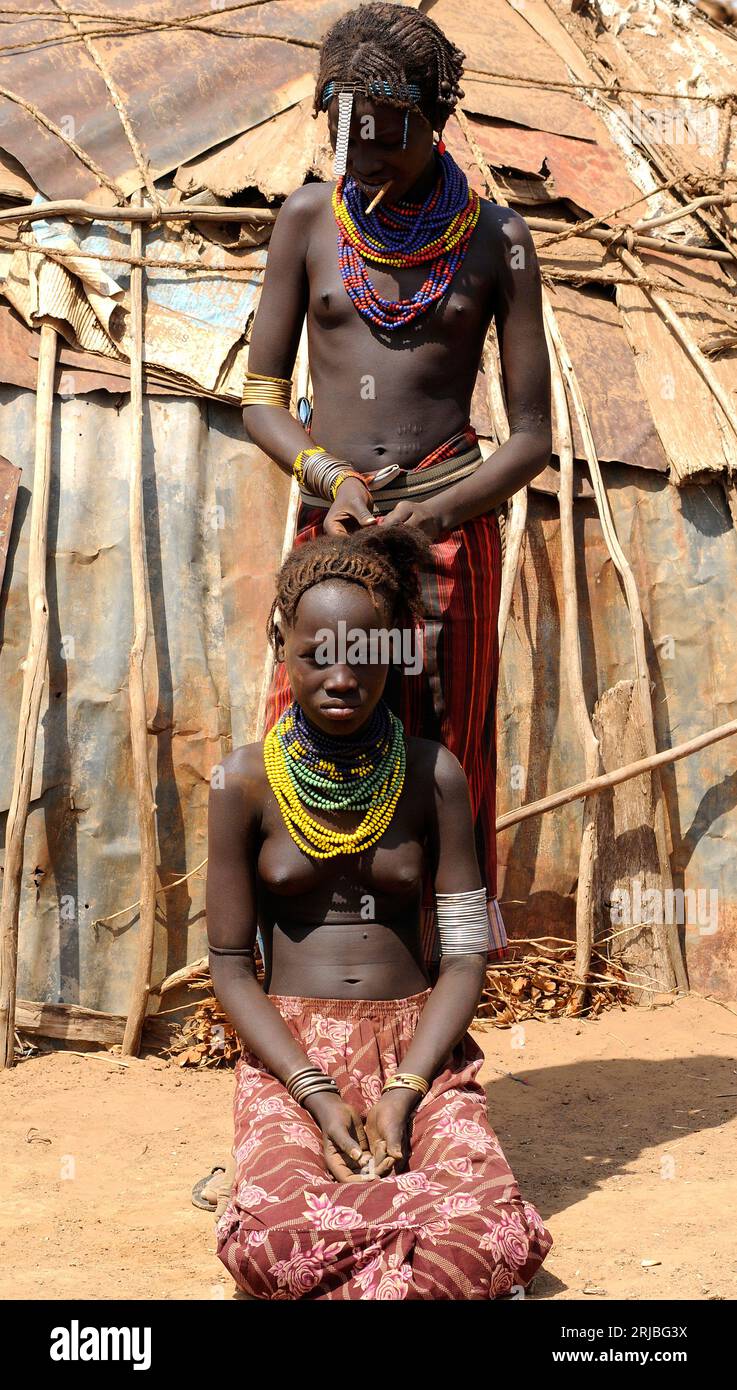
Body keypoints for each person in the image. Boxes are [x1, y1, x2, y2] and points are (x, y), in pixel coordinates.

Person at [195, 0, 551, 1215]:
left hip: (443, 540)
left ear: (437, 118)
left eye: (389, 131)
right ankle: (282, 1093)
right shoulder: (307, 219)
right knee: (300, 775)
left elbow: (534, 438)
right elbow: (257, 394)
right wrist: (335, 483)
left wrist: (435, 513)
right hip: (336, 544)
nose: (362, 153)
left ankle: (430, 1077)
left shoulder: (497, 241)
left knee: (437, 783)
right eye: (346, 126)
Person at [207, 525, 552, 1300]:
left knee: (490, 1237)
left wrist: (405, 1089)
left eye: (362, 656)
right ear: (282, 649)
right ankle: (384, 1243)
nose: (339, 677)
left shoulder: (435, 775)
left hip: (420, 1044)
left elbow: (463, 955)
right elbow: (230, 965)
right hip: (291, 1053)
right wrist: (314, 1091)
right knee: (276, 1247)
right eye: (314, 655)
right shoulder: (243, 783)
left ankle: (372, 1246)